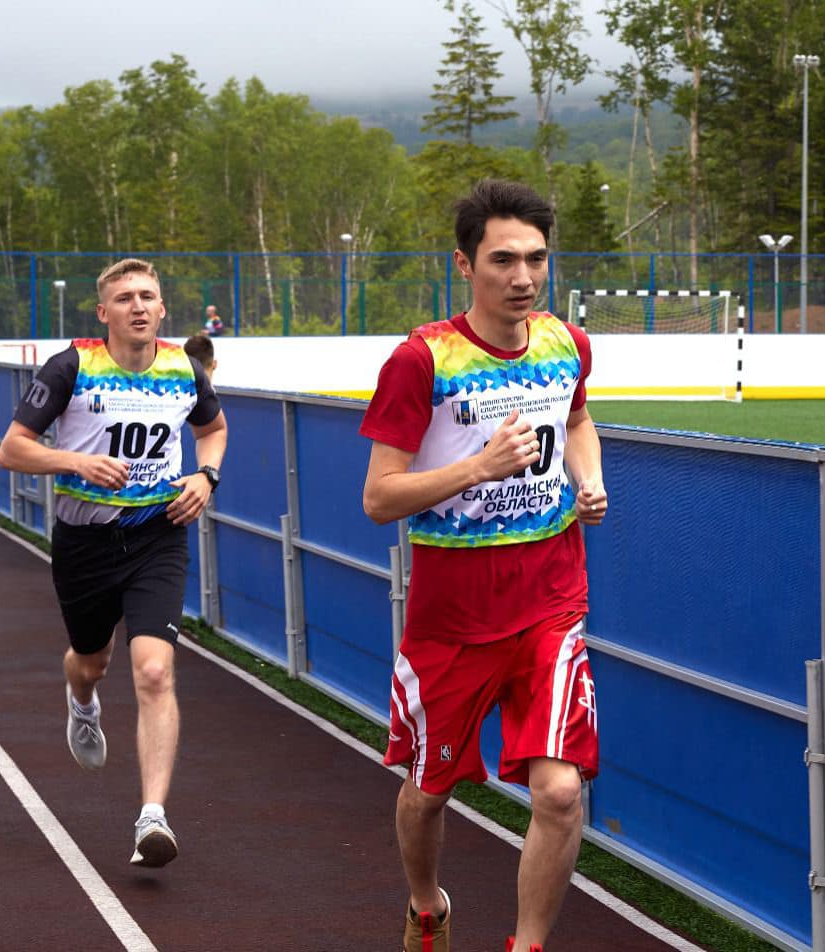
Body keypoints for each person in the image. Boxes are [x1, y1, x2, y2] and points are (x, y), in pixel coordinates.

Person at [360, 180, 608, 952]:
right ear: (465, 264)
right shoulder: (422, 360)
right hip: (453, 622)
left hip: (551, 603)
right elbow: (379, 498)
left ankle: (526, 946)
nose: (523, 276)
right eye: (503, 260)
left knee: (560, 792)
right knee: (428, 793)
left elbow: (578, 419)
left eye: (536, 258)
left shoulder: (567, 344)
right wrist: (479, 467)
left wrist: (589, 478)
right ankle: (426, 905)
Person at [0, 257, 227, 868]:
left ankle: (152, 815)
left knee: (153, 670)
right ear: (104, 313)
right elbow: (13, 450)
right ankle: (82, 701)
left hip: (158, 535)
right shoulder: (71, 368)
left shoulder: (184, 369)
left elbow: (214, 430)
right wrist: (76, 462)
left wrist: (205, 476)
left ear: (162, 308)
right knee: (92, 660)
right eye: (124, 298)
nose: (138, 306)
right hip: (85, 543)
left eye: (148, 296)